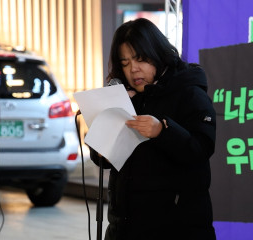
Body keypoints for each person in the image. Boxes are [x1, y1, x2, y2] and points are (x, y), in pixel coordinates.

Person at [89, 18, 217, 240]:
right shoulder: (125, 97)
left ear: (158, 54)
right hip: (124, 226)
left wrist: (162, 131)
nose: (133, 69)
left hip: (177, 227)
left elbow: (202, 147)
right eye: (125, 62)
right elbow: (111, 158)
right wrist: (100, 147)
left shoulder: (189, 92)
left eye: (140, 59)